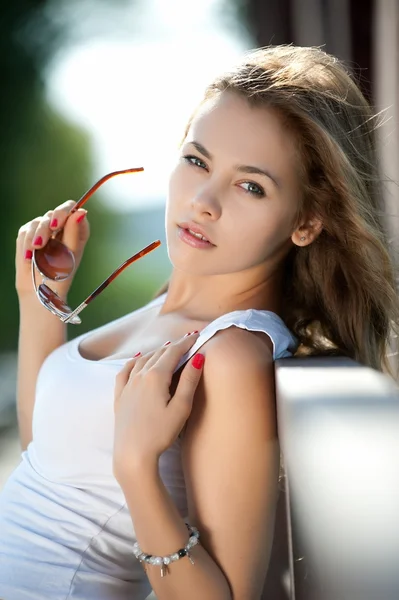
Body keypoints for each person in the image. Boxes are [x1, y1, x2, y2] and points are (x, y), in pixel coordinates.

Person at [1, 43, 398, 600]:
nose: (204, 201)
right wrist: (40, 294)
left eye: (250, 185)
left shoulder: (230, 353)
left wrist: (137, 466)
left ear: (307, 222)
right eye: (197, 160)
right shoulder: (165, 309)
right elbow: (46, 457)